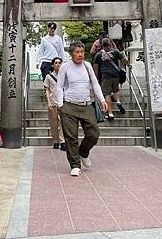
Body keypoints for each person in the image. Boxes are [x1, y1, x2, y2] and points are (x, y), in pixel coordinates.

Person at [56, 41, 109, 177]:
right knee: (71, 137)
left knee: (94, 133)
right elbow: (59, 86)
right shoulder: (65, 67)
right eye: (77, 52)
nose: (80, 55)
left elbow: (95, 84)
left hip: (86, 105)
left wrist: (102, 100)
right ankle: (75, 165)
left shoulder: (87, 66)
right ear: (71, 54)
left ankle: (83, 153)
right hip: (68, 105)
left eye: (82, 52)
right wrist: (60, 104)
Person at [93, 38, 127, 120]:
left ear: (101, 45)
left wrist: (96, 79)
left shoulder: (98, 55)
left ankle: (110, 113)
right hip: (116, 75)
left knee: (107, 94)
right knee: (116, 90)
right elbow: (124, 60)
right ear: (110, 44)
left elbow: (96, 68)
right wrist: (126, 66)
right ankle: (118, 101)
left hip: (106, 76)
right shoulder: (115, 52)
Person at [43, 57, 65, 151]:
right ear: (52, 65)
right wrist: (48, 101)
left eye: (59, 63)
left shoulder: (64, 76)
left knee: (63, 123)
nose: (57, 64)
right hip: (52, 102)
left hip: (62, 103)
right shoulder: (48, 77)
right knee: (53, 123)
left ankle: (62, 141)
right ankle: (55, 141)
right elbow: (47, 90)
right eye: (55, 63)